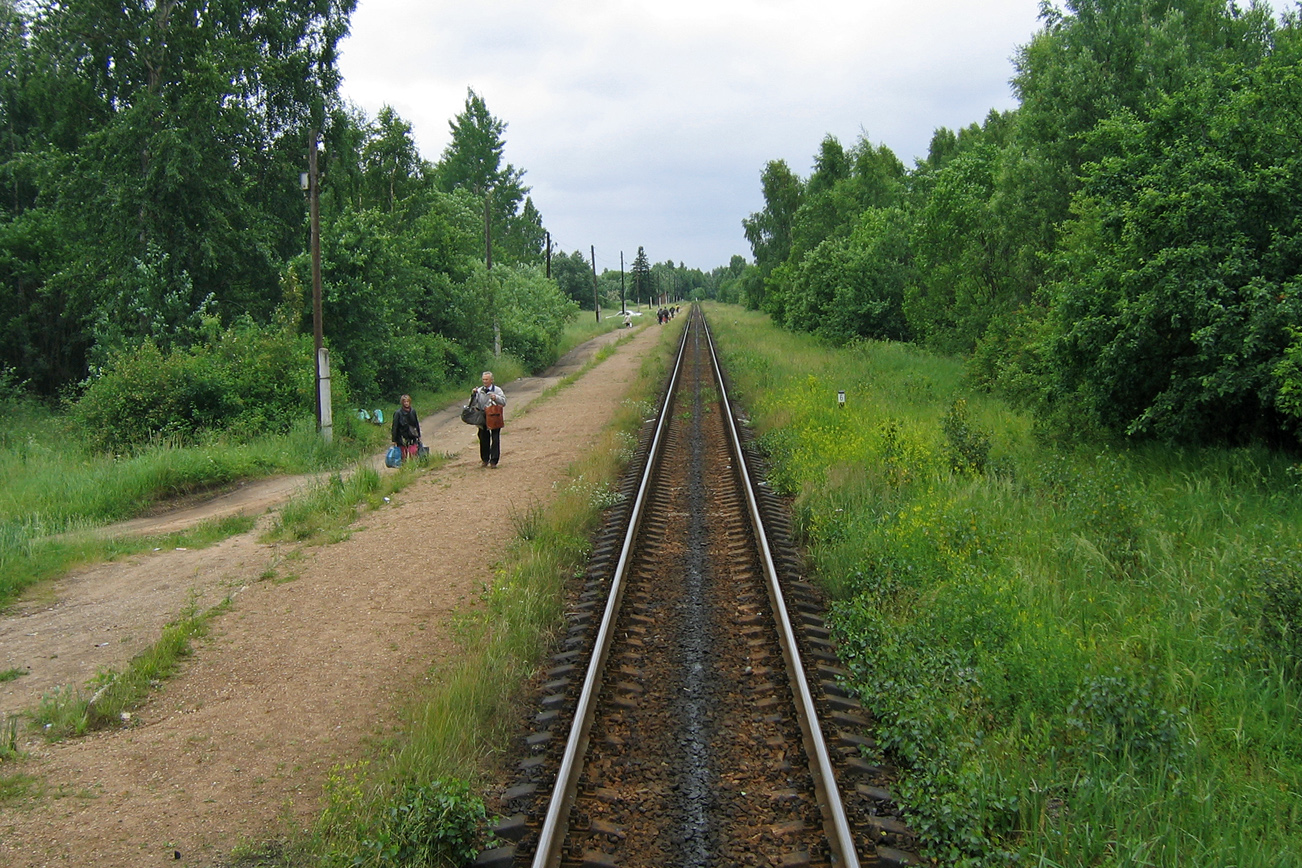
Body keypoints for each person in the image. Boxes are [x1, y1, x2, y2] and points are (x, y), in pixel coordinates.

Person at [469, 371, 507, 468]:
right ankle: (485, 459)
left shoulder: (497, 390)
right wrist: (473, 395)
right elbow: (472, 404)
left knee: (495, 438)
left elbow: (504, 401)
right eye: (483, 380)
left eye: (486, 379)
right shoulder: (479, 390)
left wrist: (495, 397)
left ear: (491, 380)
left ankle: (494, 461)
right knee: (483, 438)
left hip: (494, 416)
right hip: (482, 417)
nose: (484, 382)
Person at [391, 394, 421, 461]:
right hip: (402, 438)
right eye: (405, 402)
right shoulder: (398, 413)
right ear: (402, 403)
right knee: (403, 457)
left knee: (413, 455)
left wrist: (418, 435)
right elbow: (394, 427)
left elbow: (416, 424)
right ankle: (403, 469)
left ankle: (412, 468)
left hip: (412, 436)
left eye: (407, 401)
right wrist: (394, 440)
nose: (406, 403)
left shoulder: (413, 411)